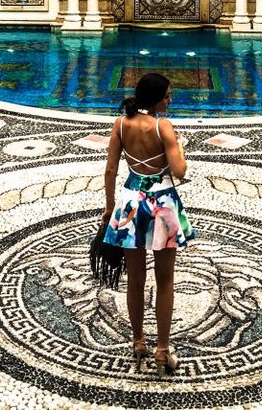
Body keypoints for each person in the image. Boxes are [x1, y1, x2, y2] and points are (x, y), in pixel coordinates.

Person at [101, 72, 194, 377]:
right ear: (155, 99)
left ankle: (139, 341)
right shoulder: (163, 126)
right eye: (168, 95)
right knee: (165, 280)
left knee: (136, 280)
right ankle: (163, 350)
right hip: (162, 204)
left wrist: (109, 206)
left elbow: (112, 169)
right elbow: (179, 171)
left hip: (130, 203)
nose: (171, 99)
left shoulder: (121, 124)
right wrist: (179, 145)